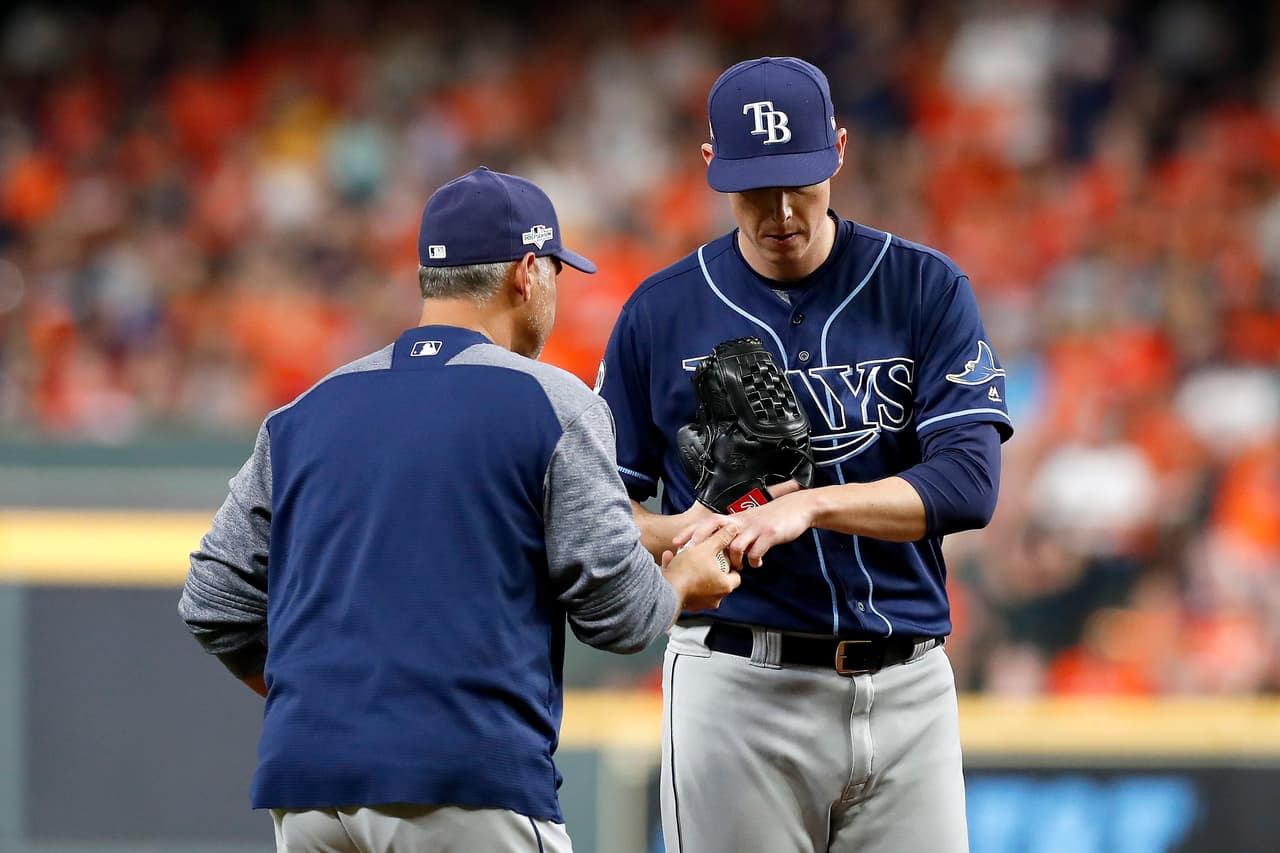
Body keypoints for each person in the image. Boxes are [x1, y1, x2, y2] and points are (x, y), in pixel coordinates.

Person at [179, 166, 742, 853]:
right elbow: (620, 617)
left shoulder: (305, 411)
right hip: (465, 781)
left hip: (310, 791)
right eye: (557, 275)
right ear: (528, 273)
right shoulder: (552, 402)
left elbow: (211, 598)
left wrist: (325, 706)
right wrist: (684, 577)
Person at [595, 58, 1014, 853]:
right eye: (756, 186)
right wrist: (681, 528)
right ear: (712, 166)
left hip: (907, 682)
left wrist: (809, 505)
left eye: (802, 180)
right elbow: (599, 504)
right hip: (740, 682)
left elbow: (969, 485)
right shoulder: (661, 312)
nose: (782, 210)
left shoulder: (924, 286)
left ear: (841, 152)